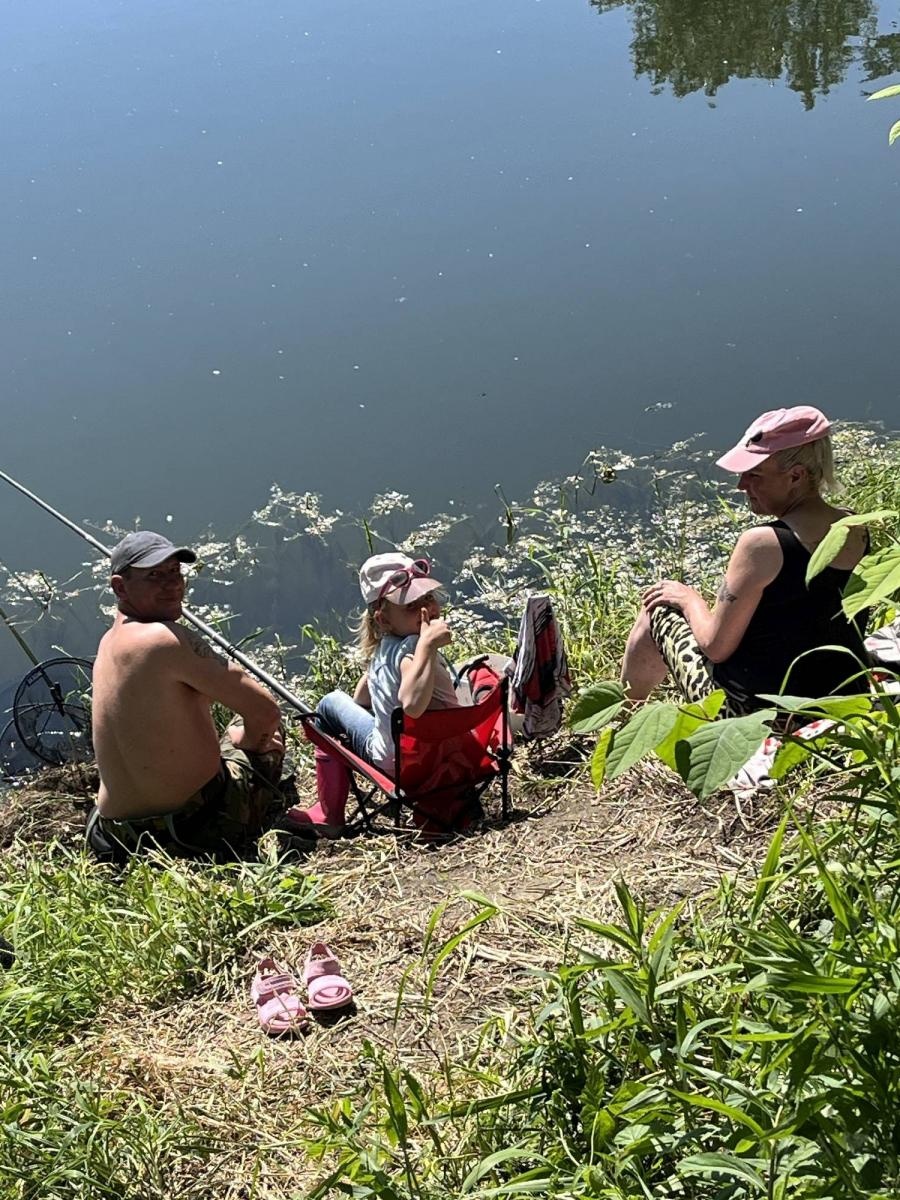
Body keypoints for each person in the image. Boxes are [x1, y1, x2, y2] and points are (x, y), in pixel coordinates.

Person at [621, 406, 869, 717]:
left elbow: (715, 647)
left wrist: (689, 600)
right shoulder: (857, 525)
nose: (741, 485)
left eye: (755, 474)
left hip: (762, 714)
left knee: (658, 609)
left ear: (796, 476)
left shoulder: (763, 544)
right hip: (845, 702)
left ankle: (623, 716)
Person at [87, 531, 286, 861]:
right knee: (262, 730)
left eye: (175, 572)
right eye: (154, 575)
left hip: (117, 838)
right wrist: (253, 742)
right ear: (120, 587)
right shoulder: (163, 640)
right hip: (190, 829)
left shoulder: (107, 644)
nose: (173, 585)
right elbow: (265, 711)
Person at [288, 553, 500, 834]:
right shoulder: (410, 648)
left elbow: (401, 704)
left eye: (429, 598)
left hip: (405, 764)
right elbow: (388, 701)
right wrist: (421, 649)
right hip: (453, 753)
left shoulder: (409, 648)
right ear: (384, 620)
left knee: (330, 704)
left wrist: (424, 647)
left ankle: (330, 814)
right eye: (412, 605)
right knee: (347, 706)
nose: (428, 609)